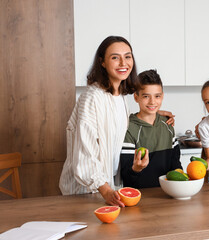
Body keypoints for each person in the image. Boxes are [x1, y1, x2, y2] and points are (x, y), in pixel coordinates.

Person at [59, 36, 174, 206]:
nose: (123, 63)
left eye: (127, 56)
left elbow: (113, 126)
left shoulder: (120, 96)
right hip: (86, 192)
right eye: (115, 57)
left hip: (108, 188)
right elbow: (85, 156)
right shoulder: (91, 98)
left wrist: (153, 113)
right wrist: (105, 190)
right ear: (102, 62)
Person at [120, 69, 182, 188]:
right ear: (136, 97)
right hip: (140, 196)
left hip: (168, 194)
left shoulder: (167, 125)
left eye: (157, 96)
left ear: (162, 96)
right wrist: (136, 169)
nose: (152, 101)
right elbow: (125, 174)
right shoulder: (129, 128)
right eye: (146, 96)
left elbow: (176, 164)